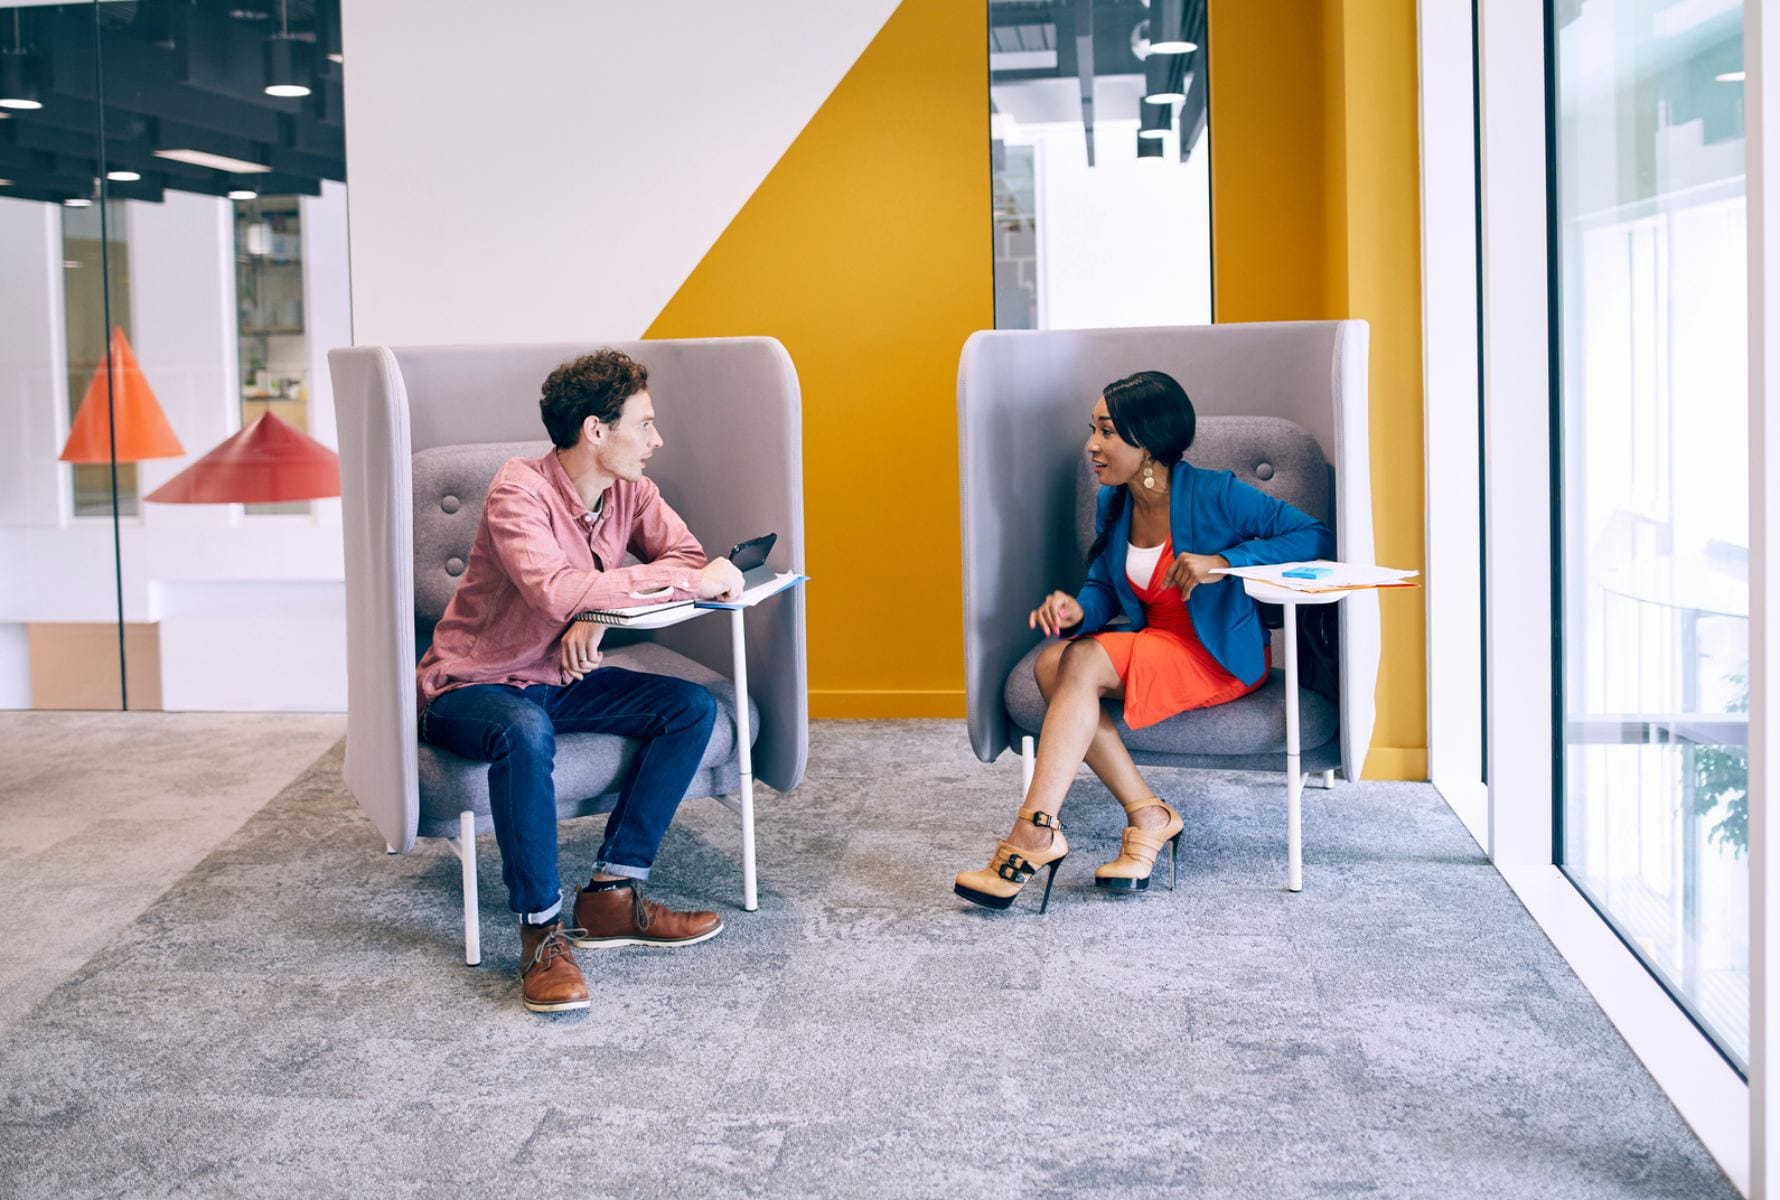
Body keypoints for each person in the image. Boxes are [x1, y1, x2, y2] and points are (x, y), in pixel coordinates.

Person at [416, 349, 746, 1012]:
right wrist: (592, 600)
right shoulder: (519, 490)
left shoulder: (630, 490)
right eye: (644, 425)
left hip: (554, 678)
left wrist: (595, 612)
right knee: (524, 728)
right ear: (597, 431)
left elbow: (681, 553)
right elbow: (553, 587)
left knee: (689, 708)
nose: (657, 440)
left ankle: (613, 896)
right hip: (473, 687)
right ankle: (540, 932)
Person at [954, 370, 1335, 912]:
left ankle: (1033, 834)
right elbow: (1106, 587)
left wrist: (1225, 562)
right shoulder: (1116, 504)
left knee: (1079, 661)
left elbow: (1313, 535)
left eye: (1107, 432)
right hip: (1155, 640)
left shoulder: (1216, 493)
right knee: (1050, 665)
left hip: (1216, 655)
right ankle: (1148, 814)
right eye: (1093, 429)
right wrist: (1079, 608)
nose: (1092, 445)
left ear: (1148, 442)